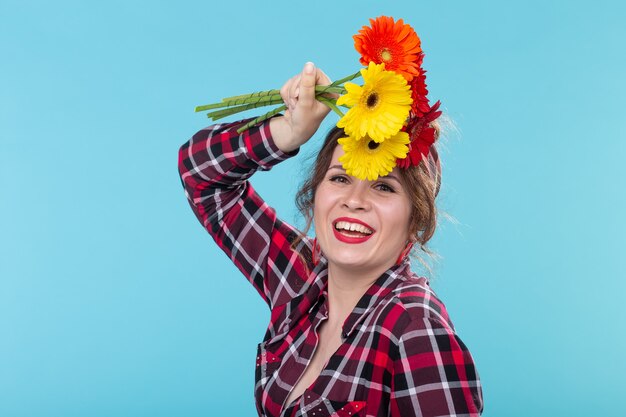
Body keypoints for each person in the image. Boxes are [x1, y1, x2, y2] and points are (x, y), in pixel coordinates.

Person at [178, 62, 484, 417]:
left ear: (416, 218)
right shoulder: (300, 280)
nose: (354, 201)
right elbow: (200, 175)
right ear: (315, 194)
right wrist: (288, 130)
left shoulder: (415, 330)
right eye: (340, 179)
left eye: (383, 186)